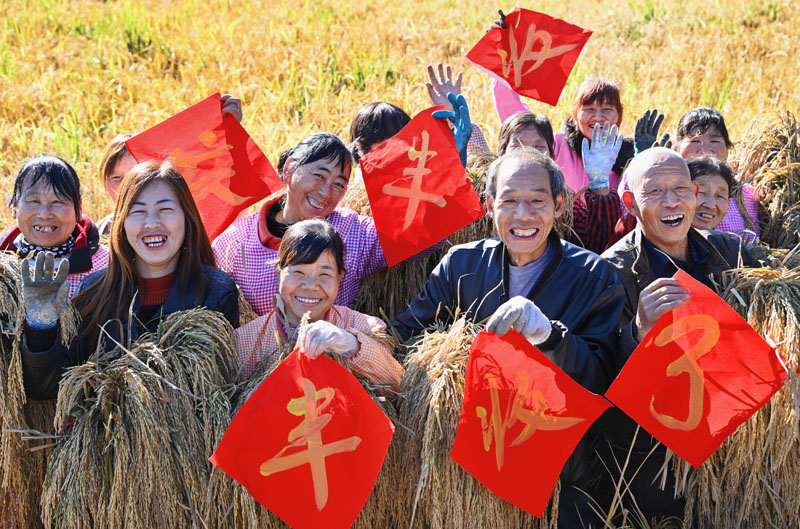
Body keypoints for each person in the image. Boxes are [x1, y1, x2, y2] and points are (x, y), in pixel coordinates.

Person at [393, 149, 626, 527]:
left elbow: (600, 378)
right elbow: (407, 337)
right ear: (489, 205)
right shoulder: (462, 265)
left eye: (537, 201)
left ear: (560, 204)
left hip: (558, 473)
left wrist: (548, 335)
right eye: (509, 201)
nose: (523, 215)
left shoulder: (595, 277)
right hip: (468, 461)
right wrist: (360, 340)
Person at [599, 148, 758, 522]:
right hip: (655, 457)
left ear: (695, 193)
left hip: (734, 442)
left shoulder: (732, 254)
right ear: (631, 203)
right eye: (654, 192)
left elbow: (779, 286)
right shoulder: (609, 273)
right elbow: (596, 378)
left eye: (681, 189)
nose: (671, 202)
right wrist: (638, 333)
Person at [20, 161, 239, 401]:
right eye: (138, 211)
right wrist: (41, 329)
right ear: (121, 224)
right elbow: (51, 388)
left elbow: (221, 390)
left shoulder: (215, 294)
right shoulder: (94, 293)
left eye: (165, 210)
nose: (152, 223)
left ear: (187, 217)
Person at [213, 124, 462, 317]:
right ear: (289, 169)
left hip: (333, 362)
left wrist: (450, 163)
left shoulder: (352, 232)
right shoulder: (237, 241)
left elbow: (424, 237)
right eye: (319, 176)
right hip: (261, 367)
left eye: (338, 184)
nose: (326, 193)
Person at [235, 220, 404, 387]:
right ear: (279, 273)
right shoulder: (244, 343)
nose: (310, 287)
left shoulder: (366, 328)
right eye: (298, 272)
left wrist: (350, 344)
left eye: (324, 275)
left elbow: (397, 385)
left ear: (340, 277)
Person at [95, 95, 244, 236]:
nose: (125, 185)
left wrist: (228, 131)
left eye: (135, 176)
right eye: (116, 177)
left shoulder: (185, 223)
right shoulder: (97, 236)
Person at [496, 111, 624, 254]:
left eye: (539, 147)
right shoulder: (482, 198)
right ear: (501, 154)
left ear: (550, 156)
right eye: (518, 146)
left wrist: (599, 186)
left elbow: (597, 247)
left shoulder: (567, 204)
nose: (528, 154)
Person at [493, 76, 635, 199]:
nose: (598, 118)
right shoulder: (555, 146)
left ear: (618, 116)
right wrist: (513, 64)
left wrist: (642, 153)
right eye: (589, 110)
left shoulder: (627, 159)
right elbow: (516, 119)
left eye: (607, 110)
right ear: (575, 115)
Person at [1, 155, 109, 297]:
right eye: (34, 200)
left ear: (79, 209)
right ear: (14, 207)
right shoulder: (3, 264)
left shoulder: (106, 268)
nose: (45, 214)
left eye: (58, 201)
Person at [675, 107, 760, 240]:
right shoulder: (668, 192)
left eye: (714, 141)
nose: (705, 150)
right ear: (677, 149)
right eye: (695, 141)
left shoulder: (749, 195)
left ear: (728, 148)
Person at [688, 155, 737, 230]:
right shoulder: (665, 240)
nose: (710, 205)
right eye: (701, 192)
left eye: (720, 196)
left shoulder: (725, 241)